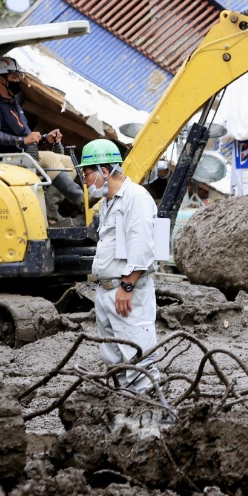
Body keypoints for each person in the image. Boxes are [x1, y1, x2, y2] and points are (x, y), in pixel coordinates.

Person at [83, 138, 162, 393]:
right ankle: (125, 409)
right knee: (115, 358)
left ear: (104, 171)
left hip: (126, 290)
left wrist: (126, 286)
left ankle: (149, 412)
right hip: (108, 290)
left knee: (137, 356)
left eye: (87, 174)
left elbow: (143, 245)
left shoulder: (135, 197)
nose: (84, 182)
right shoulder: (109, 202)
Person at [0, 57, 85, 213]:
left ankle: (51, 211)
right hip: (7, 157)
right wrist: (22, 140)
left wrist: (44, 138)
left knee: (70, 163)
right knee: (51, 158)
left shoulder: (12, 102)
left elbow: (26, 135)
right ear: (1, 79)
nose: (18, 81)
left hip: (23, 153)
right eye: (14, 77)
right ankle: (82, 201)